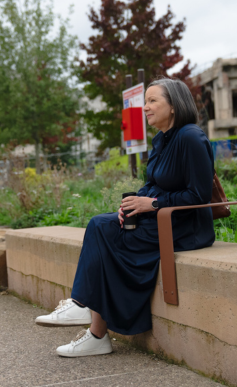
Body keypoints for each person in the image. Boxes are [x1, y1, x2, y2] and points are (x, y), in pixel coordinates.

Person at [35, 77, 215, 357]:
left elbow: (199, 196)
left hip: (185, 227)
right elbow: (154, 183)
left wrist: (151, 204)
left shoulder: (191, 138)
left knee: (103, 233)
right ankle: (93, 328)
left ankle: (87, 315)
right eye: (145, 101)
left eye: (153, 101)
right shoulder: (162, 139)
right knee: (101, 225)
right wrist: (132, 205)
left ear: (174, 106)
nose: (145, 107)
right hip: (160, 218)